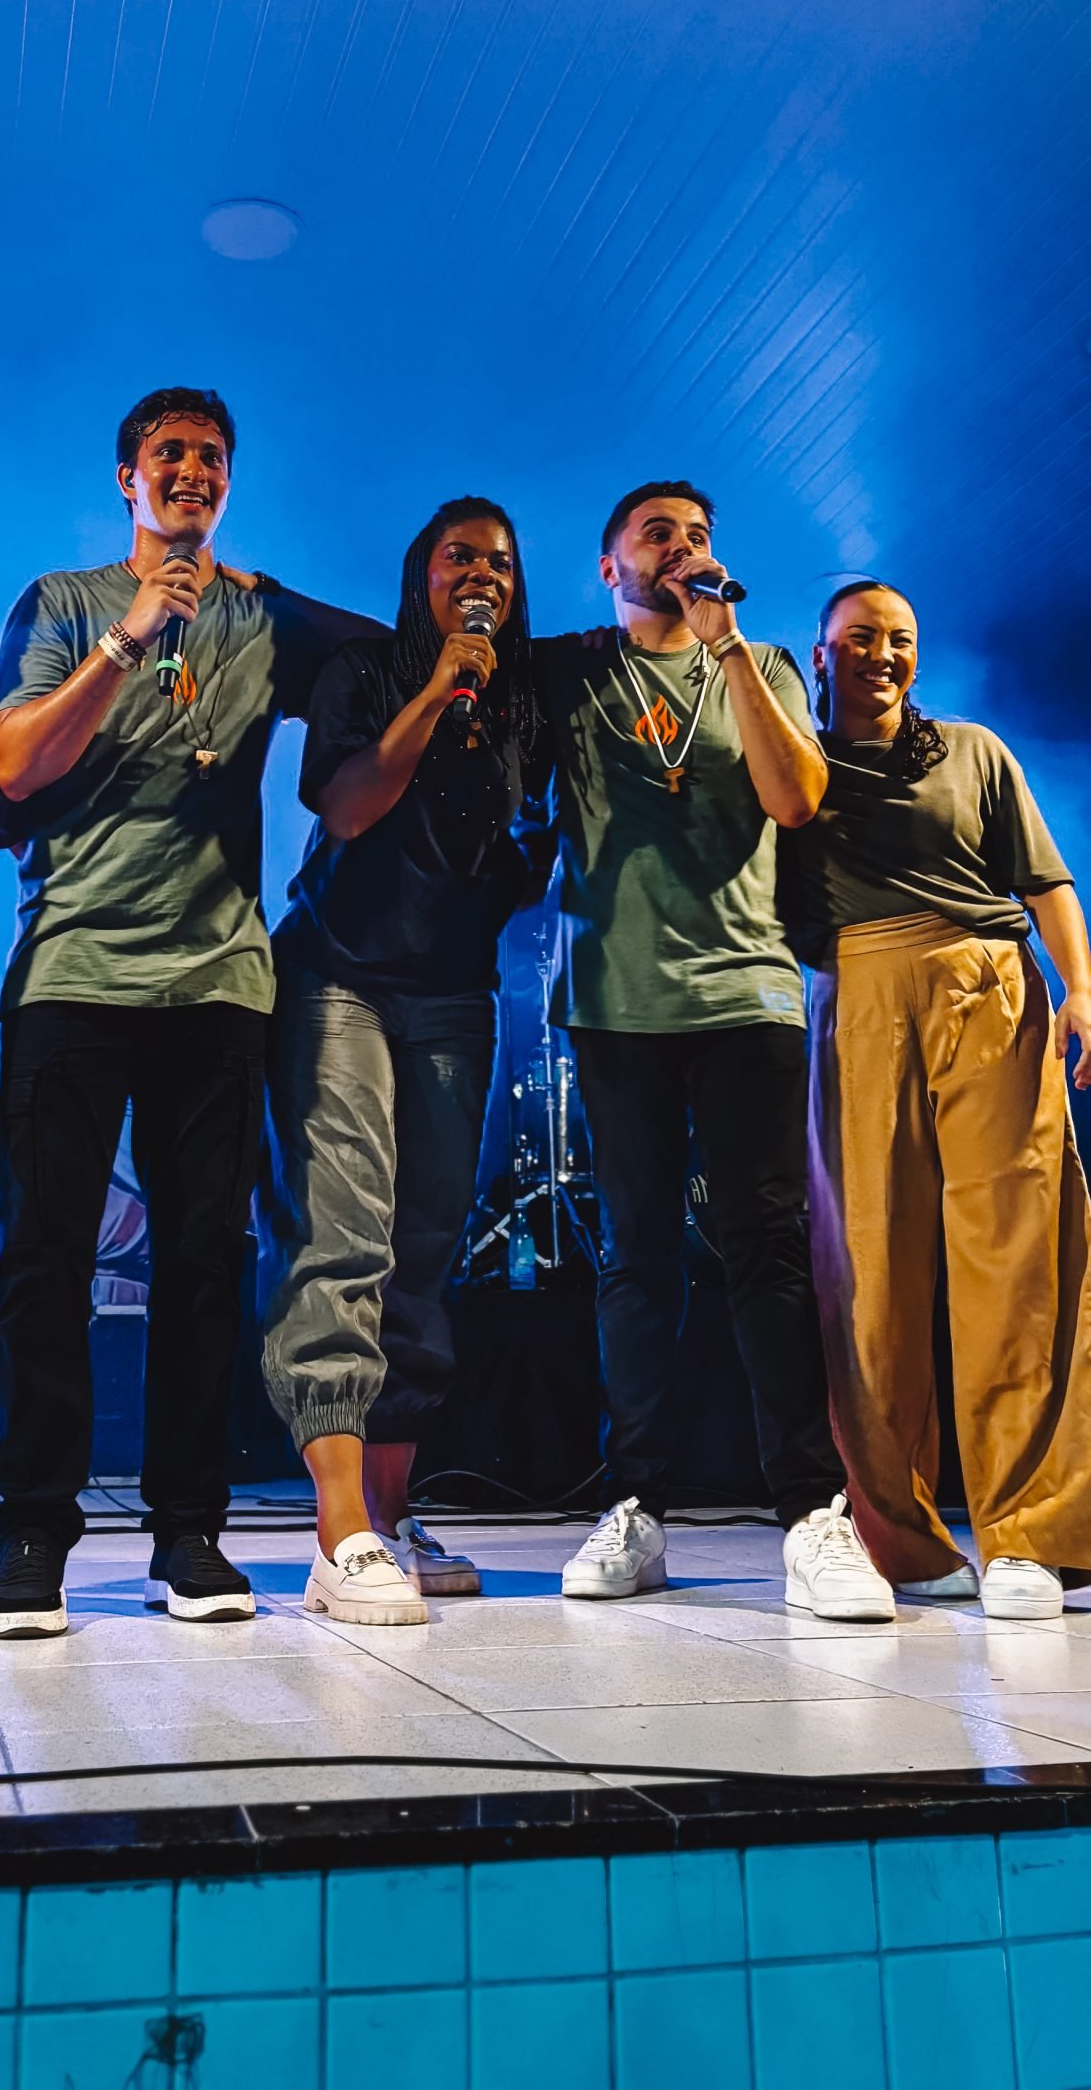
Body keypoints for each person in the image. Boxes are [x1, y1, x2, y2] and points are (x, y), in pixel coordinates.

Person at [0, 388, 377, 1635]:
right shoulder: (62, 601)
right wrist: (130, 633)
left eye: (211, 456)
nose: (192, 470)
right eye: (170, 454)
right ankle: (34, 1535)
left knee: (205, 1265)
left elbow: (383, 649)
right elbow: (14, 763)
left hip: (218, 984)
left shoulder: (256, 615)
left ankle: (190, 1532)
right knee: (46, 1262)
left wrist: (269, 592)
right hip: (74, 973)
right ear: (128, 477)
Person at [535, 480, 893, 1620]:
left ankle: (812, 1514)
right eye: (657, 534)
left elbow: (798, 800)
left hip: (746, 996)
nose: (682, 548)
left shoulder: (764, 662)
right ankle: (635, 1505)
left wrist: (725, 642)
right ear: (609, 565)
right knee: (636, 1257)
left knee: (766, 1250)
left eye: (697, 535)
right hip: (616, 1004)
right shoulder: (573, 672)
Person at [262, 498, 548, 1624]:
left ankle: (390, 1519)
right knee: (345, 1231)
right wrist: (435, 690)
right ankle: (338, 1534)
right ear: (419, 573)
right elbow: (345, 809)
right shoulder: (368, 673)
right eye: (457, 558)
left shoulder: (530, 699)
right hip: (339, 974)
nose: (481, 576)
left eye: (499, 564)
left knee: (425, 1246)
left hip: (454, 992)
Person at [782, 580, 1091, 1619]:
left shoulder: (972, 750)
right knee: (870, 1269)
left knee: (1018, 1255)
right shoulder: (791, 761)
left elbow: (1046, 882)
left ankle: (1031, 1534)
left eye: (901, 639)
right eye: (860, 638)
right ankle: (899, 1540)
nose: (883, 653)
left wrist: (1082, 990)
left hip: (987, 985)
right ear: (818, 654)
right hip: (857, 993)